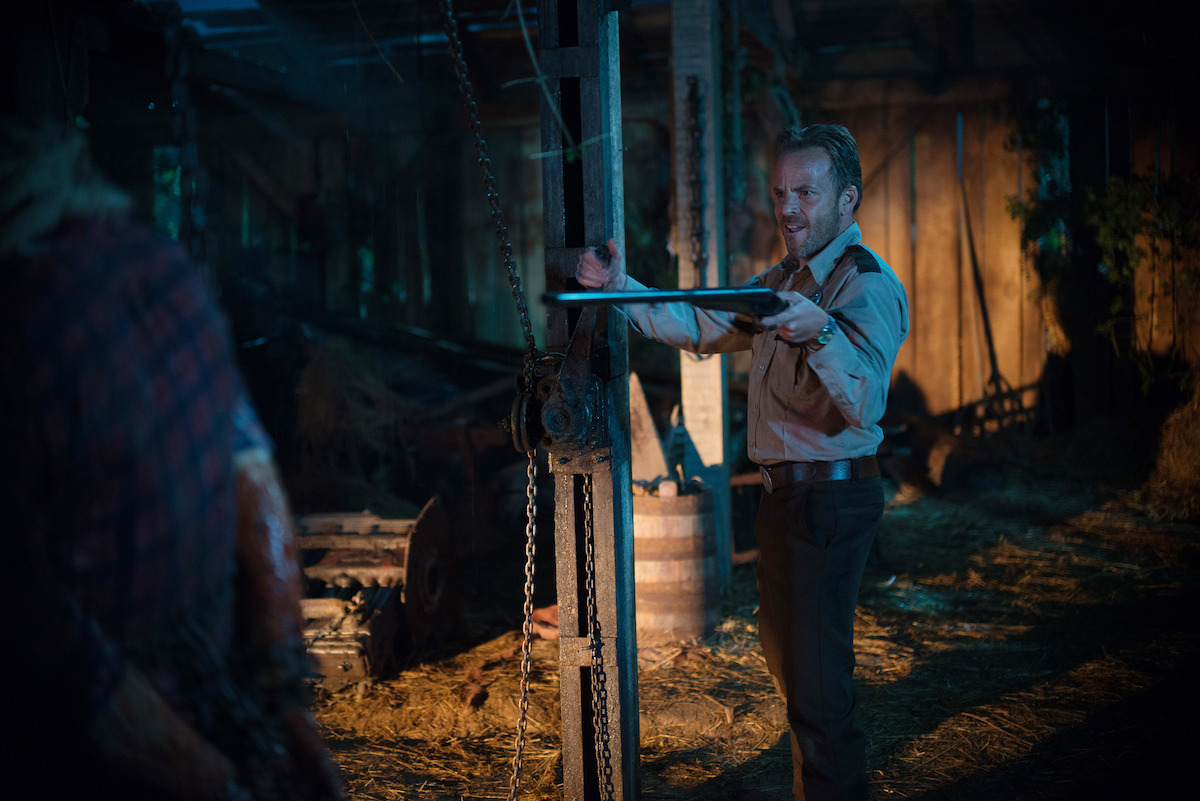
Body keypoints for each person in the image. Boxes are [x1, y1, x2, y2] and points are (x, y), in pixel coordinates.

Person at [0, 118, 344, 801]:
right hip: (211, 699)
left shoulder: (21, 317)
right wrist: (285, 692)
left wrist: (221, 785)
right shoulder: (161, 266)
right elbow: (252, 464)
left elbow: (55, 652)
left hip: (95, 762)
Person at [577, 123, 909, 800]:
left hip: (830, 499)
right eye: (781, 191)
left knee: (817, 685)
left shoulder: (862, 285)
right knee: (792, 668)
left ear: (848, 200)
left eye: (806, 192)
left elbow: (868, 403)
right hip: (785, 498)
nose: (789, 207)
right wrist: (620, 286)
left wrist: (820, 335)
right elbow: (701, 323)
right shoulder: (782, 280)